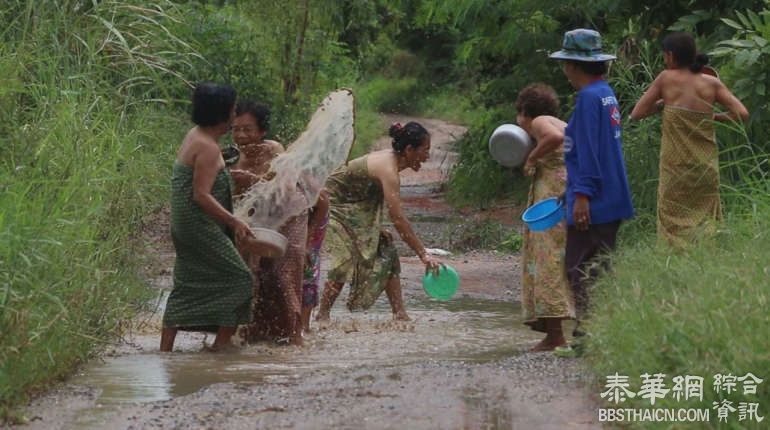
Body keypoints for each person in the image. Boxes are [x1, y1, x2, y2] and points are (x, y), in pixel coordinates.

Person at [549, 29, 634, 338]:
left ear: (572, 65)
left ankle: (588, 331)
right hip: (612, 196)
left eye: (566, 64)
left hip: (595, 201)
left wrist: (582, 195)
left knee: (578, 266)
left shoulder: (587, 98)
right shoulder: (605, 94)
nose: (565, 70)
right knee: (600, 265)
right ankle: (602, 329)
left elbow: (587, 150)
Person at [630, 32, 749, 247]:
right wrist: (714, 117)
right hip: (705, 167)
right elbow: (742, 113)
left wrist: (661, 106)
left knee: (672, 219)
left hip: (675, 168)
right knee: (705, 218)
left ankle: (676, 261)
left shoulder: (666, 79)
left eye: (665, 56)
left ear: (671, 56)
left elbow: (637, 113)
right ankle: (707, 256)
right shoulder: (711, 83)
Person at [160, 82, 254, 352]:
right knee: (240, 279)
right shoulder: (208, 148)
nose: (235, 116)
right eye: (233, 110)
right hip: (198, 224)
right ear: (222, 114)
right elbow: (201, 195)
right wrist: (235, 221)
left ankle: (165, 350)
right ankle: (220, 348)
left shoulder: (196, 135)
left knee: (188, 281)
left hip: (185, 224)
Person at [316, 122, 442, 322]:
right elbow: (398, 218)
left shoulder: (394, 161)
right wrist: (423, 253)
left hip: (353, 205)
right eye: (425, 150)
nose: (427, 156)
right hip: (331, 205)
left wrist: (375, 227)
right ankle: (322, 315)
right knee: (346, 257)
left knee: (386, 246)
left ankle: (399, 314)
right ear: (409, 150)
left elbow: (367, 194)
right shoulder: (389, 170)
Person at [228, 100, 307, 346]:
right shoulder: (231, 158)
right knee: (252, 274)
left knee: (284, 274)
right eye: (236, 129)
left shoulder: (274, 150)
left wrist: (252, 180)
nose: (241, 135)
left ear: (262, 132)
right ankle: (254, 334)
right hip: (257, 221)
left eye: (248, 129)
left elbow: (286, 185)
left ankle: (296, 337)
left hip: (290, 216)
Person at [516, 83, 575, 351]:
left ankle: (555, 337)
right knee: (559, 259)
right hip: (565, 194)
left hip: (552, 197)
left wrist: (531, 158)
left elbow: (554, 139)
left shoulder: (540, 122)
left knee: (547, 260)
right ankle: (556, 333)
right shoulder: (559, 120)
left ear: (526, 111)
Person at [302, 189, 329, 332]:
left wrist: (307, 243)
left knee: (308, 269)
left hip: (313, 226)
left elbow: (323, 200)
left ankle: (304, 327)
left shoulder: (315, 191)